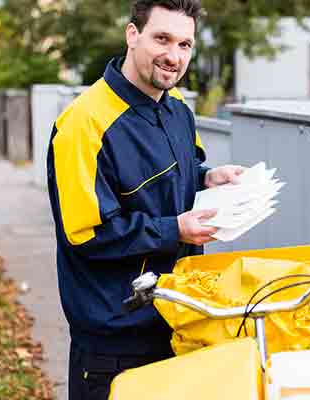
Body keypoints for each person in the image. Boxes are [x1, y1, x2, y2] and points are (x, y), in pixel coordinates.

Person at [46, 1, 243, 398]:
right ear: (132, 35)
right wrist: (177, 228)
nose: (174, 56)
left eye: (185, 44)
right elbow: (86, 234)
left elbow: (185, 169)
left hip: (178, 324)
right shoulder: (82, 124)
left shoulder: (178, 111)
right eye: (162, 39)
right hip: (115, 344)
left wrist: (208, 176)